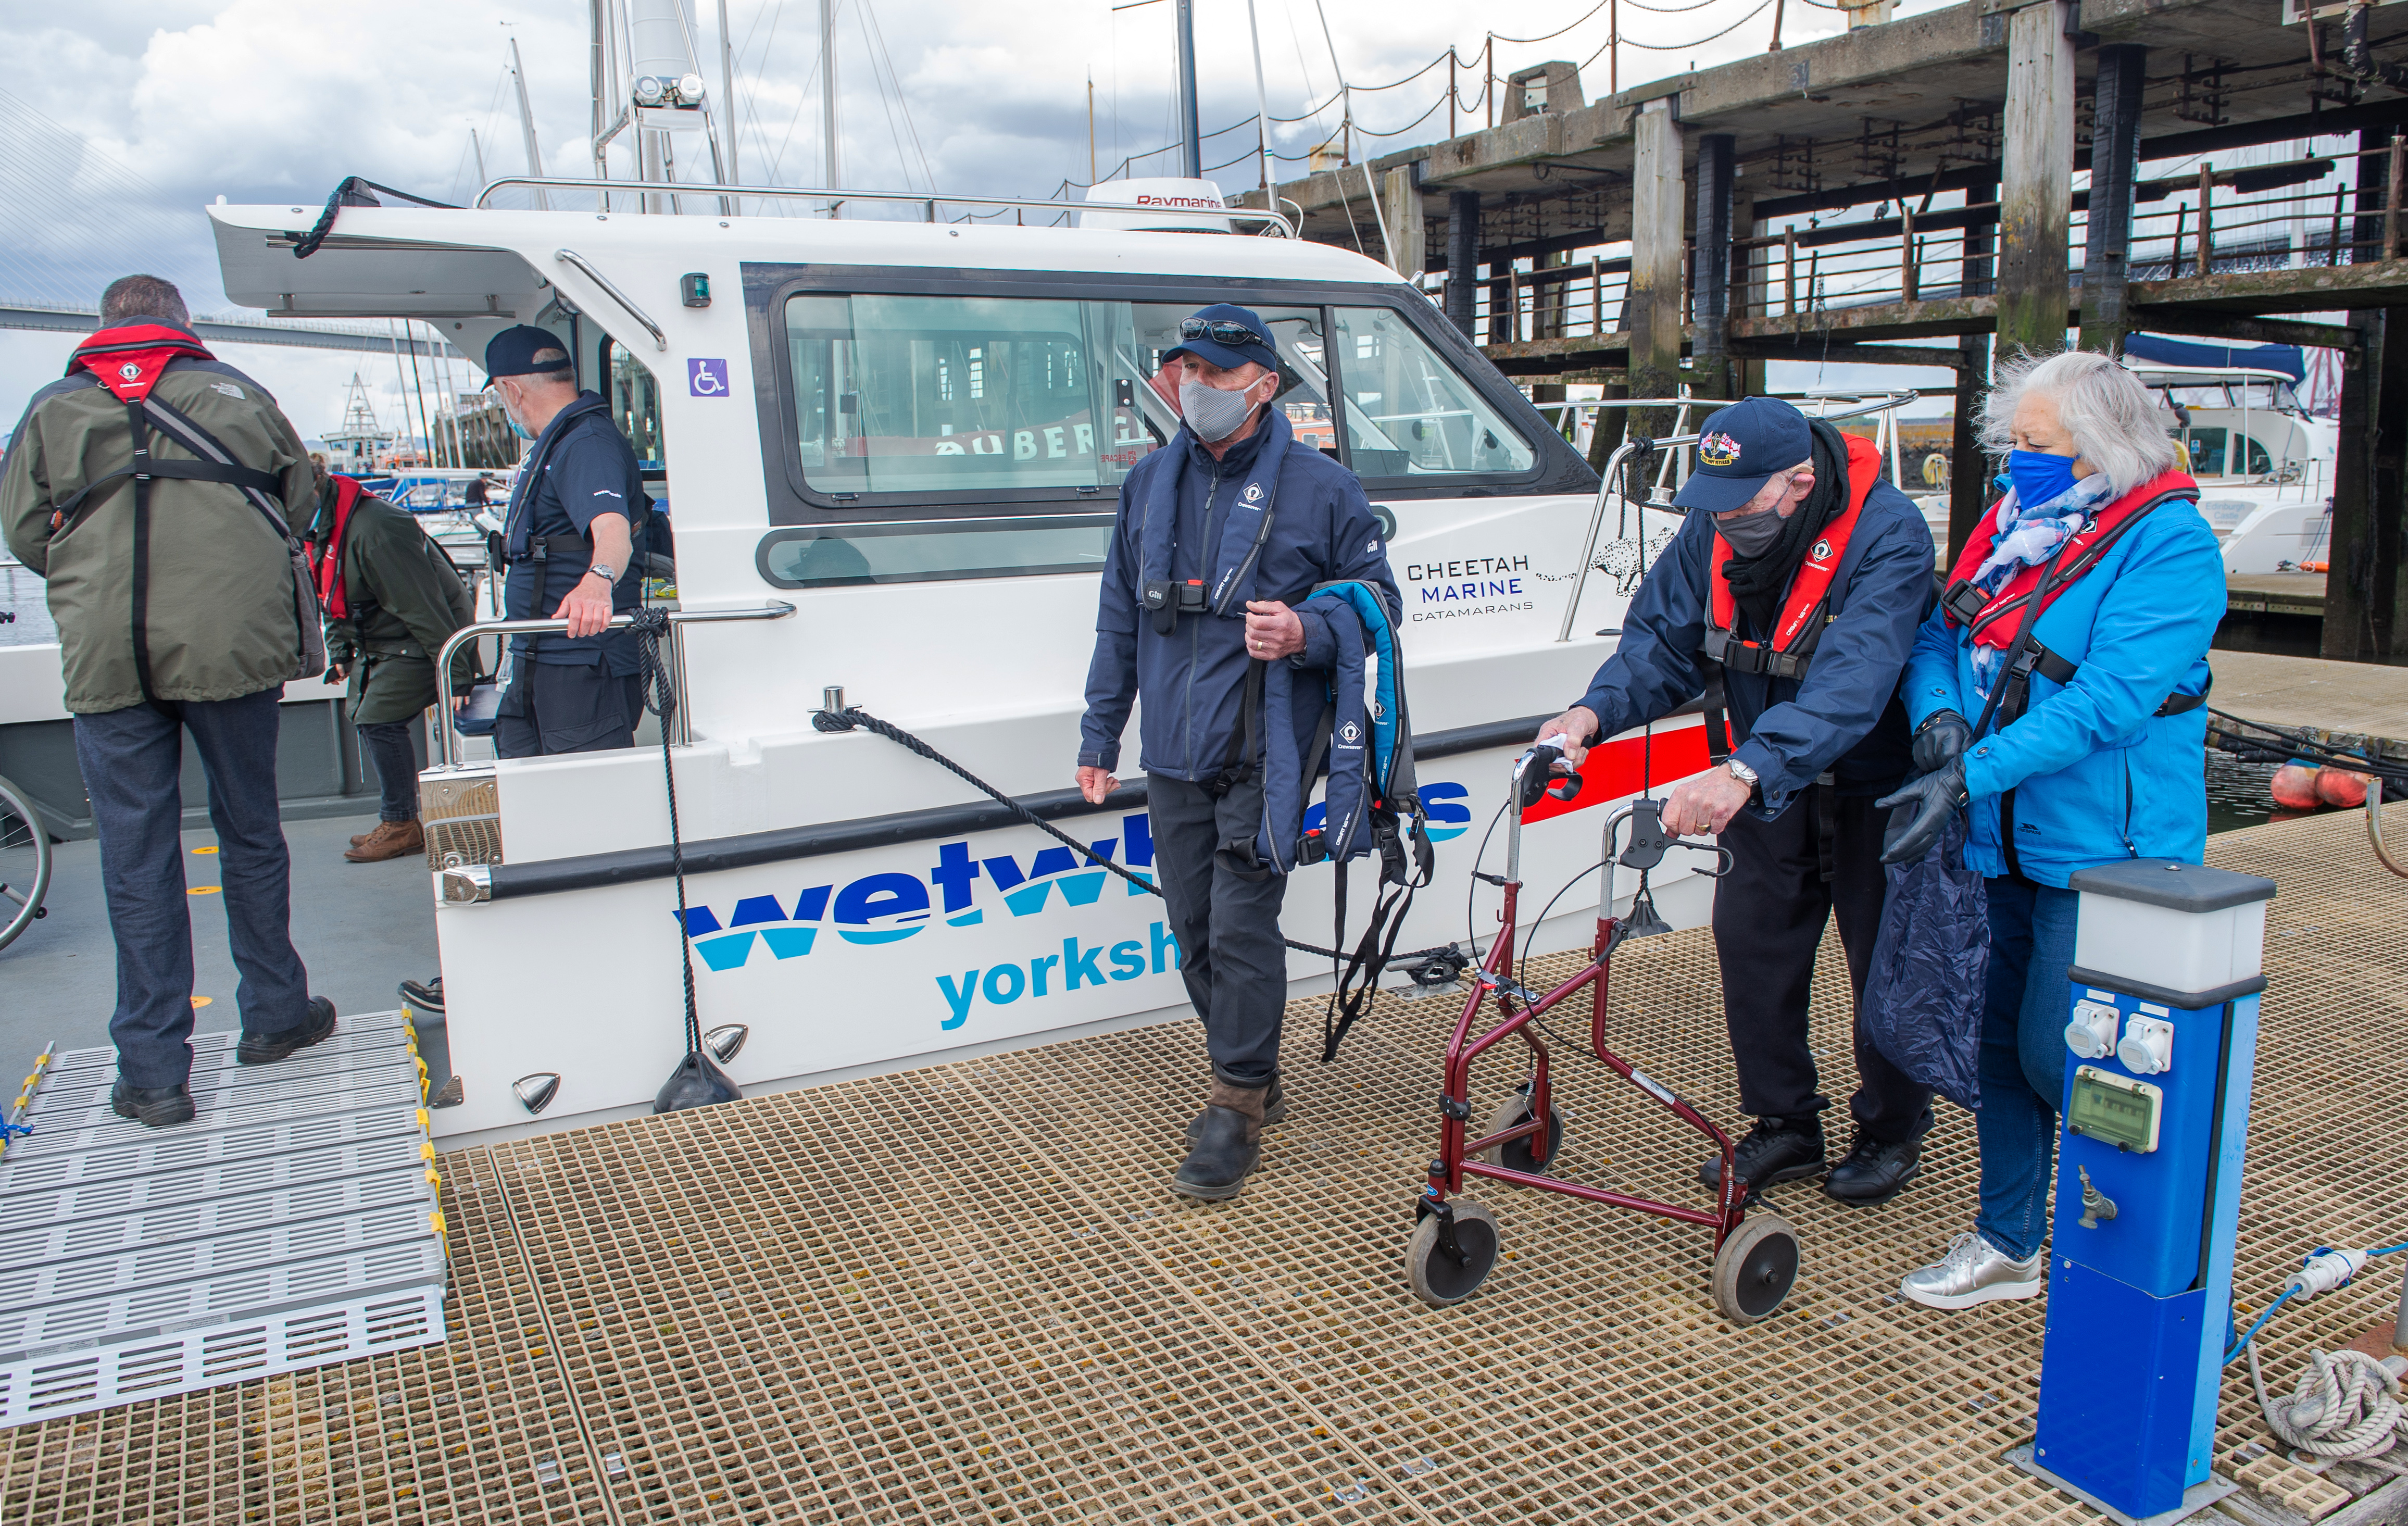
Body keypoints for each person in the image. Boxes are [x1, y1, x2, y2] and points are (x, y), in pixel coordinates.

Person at [1533, 394, 1937, 1205]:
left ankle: (1893, 1126)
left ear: (1798, 483)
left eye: (1741, 504)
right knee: (1752, 945)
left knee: (1886, 965)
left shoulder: (1890, 532)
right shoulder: (1714, 523)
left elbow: (1854, 680)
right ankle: (1786, 1120)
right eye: (1711, 503)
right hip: (1765, 782)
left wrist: (1747, 771)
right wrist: (1589, 715)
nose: (1723, 519)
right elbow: (1659, 641)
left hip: (1872, 784)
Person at [1883, 349, 2221, 1309]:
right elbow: (1941, 632)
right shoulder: (2013, 523)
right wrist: (1936, 718)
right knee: (1994, 1042)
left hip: (2104, 851)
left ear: (2101, 444)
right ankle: (2007, 1242)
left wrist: (1967, 774)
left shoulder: (2170, 545)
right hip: (2000, 834)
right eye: (2012, 442)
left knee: (2058, 1051)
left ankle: (2145, 1239)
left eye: (2034, 443)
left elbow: (2107, 702)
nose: (2013, 461)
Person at [1075, 303, 1398, 1202]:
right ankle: (1252, 1065)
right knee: (1192, 930)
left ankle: (1237, 1102)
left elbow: (1381, 605)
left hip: (1268, 752)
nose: (1196, 387)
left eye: (1216, 373)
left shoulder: (1325, 488)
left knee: (1241, 928)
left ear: (1263, 386)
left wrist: (1305, 629)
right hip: (1170, 756)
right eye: (1187, 370)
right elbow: (1117, 618)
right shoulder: (1147, 483)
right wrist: (1100, 733)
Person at [0, 274, 337, 1127]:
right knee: (250, 829)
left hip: (108, 652)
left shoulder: (51, 407)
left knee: (135, 854)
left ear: (105, 324)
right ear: (182, 325)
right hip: (232, 642)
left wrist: (95, 573)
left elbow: (24, 533)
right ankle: (275, 1014)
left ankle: (153, 1073)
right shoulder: (240, 393)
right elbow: (298, 504)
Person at [484, 325, 646, 757]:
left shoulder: (587, 443)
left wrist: (598, 579)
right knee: (523, 774)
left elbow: (613, 528)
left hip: (581, 665)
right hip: (541, 656)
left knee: (588, 790)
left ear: (511, 390)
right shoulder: (557, 442)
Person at [307, 459, 480, 862]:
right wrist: (340, 652)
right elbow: (332, 595)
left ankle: (401, 825)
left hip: (420, 638)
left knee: (378, 719)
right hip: (387, 639)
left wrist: (456, 671)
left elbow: (424, 607)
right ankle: (400, 819)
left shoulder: (376, 528)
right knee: (363, 713)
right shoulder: (326, 523)